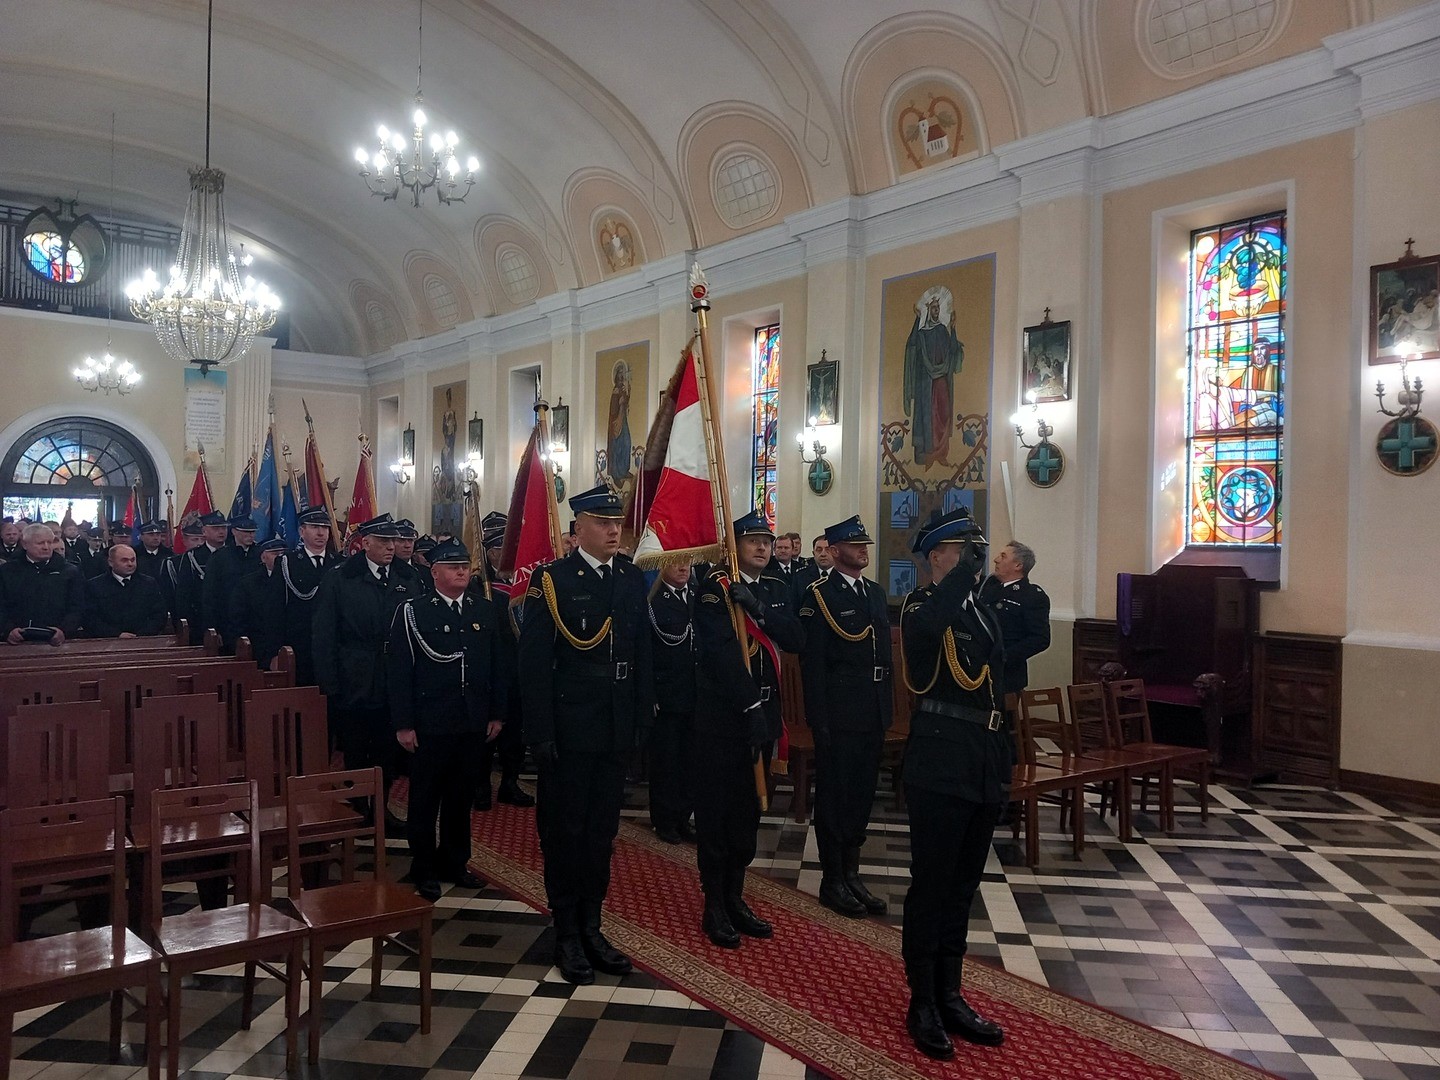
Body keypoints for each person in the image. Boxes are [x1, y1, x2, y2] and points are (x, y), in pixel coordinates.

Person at [518, 485, 653, 985]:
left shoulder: (630, 577)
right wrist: (539, 732)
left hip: (615, 726)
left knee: (601, 834)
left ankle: (593, 926)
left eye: (617, 523)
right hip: (570, 728)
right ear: (578, 529)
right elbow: (534, 664)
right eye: (603, 522)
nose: (614, 530)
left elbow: (642, 654)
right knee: (565, 833)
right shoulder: (552, 581)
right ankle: (567, 931)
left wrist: (641, 720)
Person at [898, 508, 1007, 1059]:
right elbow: (925, 634)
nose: (973, 558)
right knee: (933, 885)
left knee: (962, 888)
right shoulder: (921, 606)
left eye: (974, 550)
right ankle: (921, 1000)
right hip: (940, 762)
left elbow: (998, 683)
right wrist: (964, 575)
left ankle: (950, 993)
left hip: (982, 760)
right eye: (962, 550)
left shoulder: (980, 612)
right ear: (936, 556)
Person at [691, 510, 803, 949]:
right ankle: (714, 903)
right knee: (718, 811)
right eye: (752, 540)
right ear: (733, 546)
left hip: (764, 717)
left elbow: (796, 638)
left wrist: (758, 609)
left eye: (767, 541)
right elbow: (720, 655)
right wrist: (749, 704)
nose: (762, 547)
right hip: (724, 719)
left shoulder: (774, 588)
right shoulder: (714, 589)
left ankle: (736, 896)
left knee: (748, 813)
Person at [388, 539, 505, 901]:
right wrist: (404, 723)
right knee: (425, 799)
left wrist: (497, 714)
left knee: (460, 797)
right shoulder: (414, 612)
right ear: (435, 572)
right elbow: (400, 672)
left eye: (465, 566)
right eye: (453, 567)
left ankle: (455, 861)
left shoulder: (484, 610)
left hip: (471, 721)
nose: (461, 572)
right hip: (431, 722)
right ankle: (423, 867)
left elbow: (498, 667)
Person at [797, 515, 891, 919]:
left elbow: (883, 657)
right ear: (835, 552)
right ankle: (832, 878)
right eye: (855, 545)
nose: (863, 550)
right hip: (838, 713)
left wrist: (886, 709)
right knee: (835, 797)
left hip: (872, 711)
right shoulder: (819, 596)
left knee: (861, 796)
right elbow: (813, 666)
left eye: (865, 544)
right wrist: (819, 720)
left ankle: (852, 873)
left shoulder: (874, 592)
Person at [313, 514, 418, 811]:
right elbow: (324, 634)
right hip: (354, 675)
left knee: (388, 749)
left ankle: (381, 808)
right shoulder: (341, 577)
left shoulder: (408, 577)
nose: (391, 547)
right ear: (366, 543)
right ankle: (359, 807)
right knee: (357, 748)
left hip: (394, 675)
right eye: (384, 541)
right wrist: (329, 683)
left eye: (394, 541)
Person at [472, 511, 532, 810]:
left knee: (515, 732)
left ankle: (510, 782)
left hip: (520, 669)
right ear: (492, 552)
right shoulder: (479, 586)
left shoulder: (526, 583)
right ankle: (481, 785)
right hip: (492, 671)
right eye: (503, 549)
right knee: (488, 732)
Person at [647, 560, 697, 843]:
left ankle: (682, 817)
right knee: (666, 763)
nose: (683, 568)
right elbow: (647, 652)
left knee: (690, 761)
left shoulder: (696, 597)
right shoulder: (654, 602)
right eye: (676, 562)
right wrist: (650, 694)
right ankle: (664, 820)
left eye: (687, 562)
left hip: (695, 694)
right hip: (666, 696)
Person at [977, 540, 1051, 701]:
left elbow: (1040, 639)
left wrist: (1003, 657)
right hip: (977, 672)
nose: (996, 559)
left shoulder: (1032, 596)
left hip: (1006, 677)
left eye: (1003, 556)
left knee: (1002, 716)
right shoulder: (989, 587)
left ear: (1018, 565)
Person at [278, 507, 341, 686]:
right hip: (300, 643)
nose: (321, 533)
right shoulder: (287, 562)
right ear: (301, 531)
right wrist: (275, 651)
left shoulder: (340, 563)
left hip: (333, 645)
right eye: (314, 527)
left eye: (325, 527)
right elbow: (275, 609)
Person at [903, 286, 963, 468]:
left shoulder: (943, 330)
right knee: (926, 416)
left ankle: (941, 452)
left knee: (943, 413)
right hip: (925, 383)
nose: (936, 311)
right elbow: (911, 347)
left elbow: (953, 351)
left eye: (938, 308)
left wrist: (953, 329)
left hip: (941, 380)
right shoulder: (922, 334)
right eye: (934, 308)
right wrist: (917, 319)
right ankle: (927, 454)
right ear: (928, 310)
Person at [0, 523, 85, 644]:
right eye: (40, 543)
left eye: (49, 542)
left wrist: (64, 630)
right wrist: (7, 630)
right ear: (25, 544)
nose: (46, 547)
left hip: (57, 642)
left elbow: (77, 606)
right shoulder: (7, 571)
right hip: (15, 641)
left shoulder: (70, 572)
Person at [82, 543, 167, 638]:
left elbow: (159, 614)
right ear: (110, 562)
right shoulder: (95, 585)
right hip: (107, 641)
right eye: (124, 560)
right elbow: (89, 618)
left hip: (144, 639)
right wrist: (116, 634)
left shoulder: (148, 583)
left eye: (133, 560)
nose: (130, 564)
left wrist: (141, 635)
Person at [203, 515, 259, 652]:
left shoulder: (260, 555)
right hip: (228, 623)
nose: (250, 535)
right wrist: (213, 629)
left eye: (252, 532)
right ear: (234, 531)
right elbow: (210, 595)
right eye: (246, 532)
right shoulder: (220, 558)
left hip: (257, 624)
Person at [173, 511, 228, 644]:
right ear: (204, 531)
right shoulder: (192, 557)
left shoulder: (233, 555)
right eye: (216, 528)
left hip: (229, 621)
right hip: (200, 621)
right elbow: (184, 594)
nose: (221, 532)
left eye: (224, 528)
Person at [231, 538, 288, 668]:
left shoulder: (293, 581)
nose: (280, 558)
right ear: (263, 557)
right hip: (259, 651)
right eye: (275, 554)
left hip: (289, 650)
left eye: (283, 554)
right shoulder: (248, 584)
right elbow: (239, 620)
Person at [392, 519, 434, 592]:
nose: (407, 545)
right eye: (401, 541)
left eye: (410, 540)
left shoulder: (425, 572)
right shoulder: (386, 571)